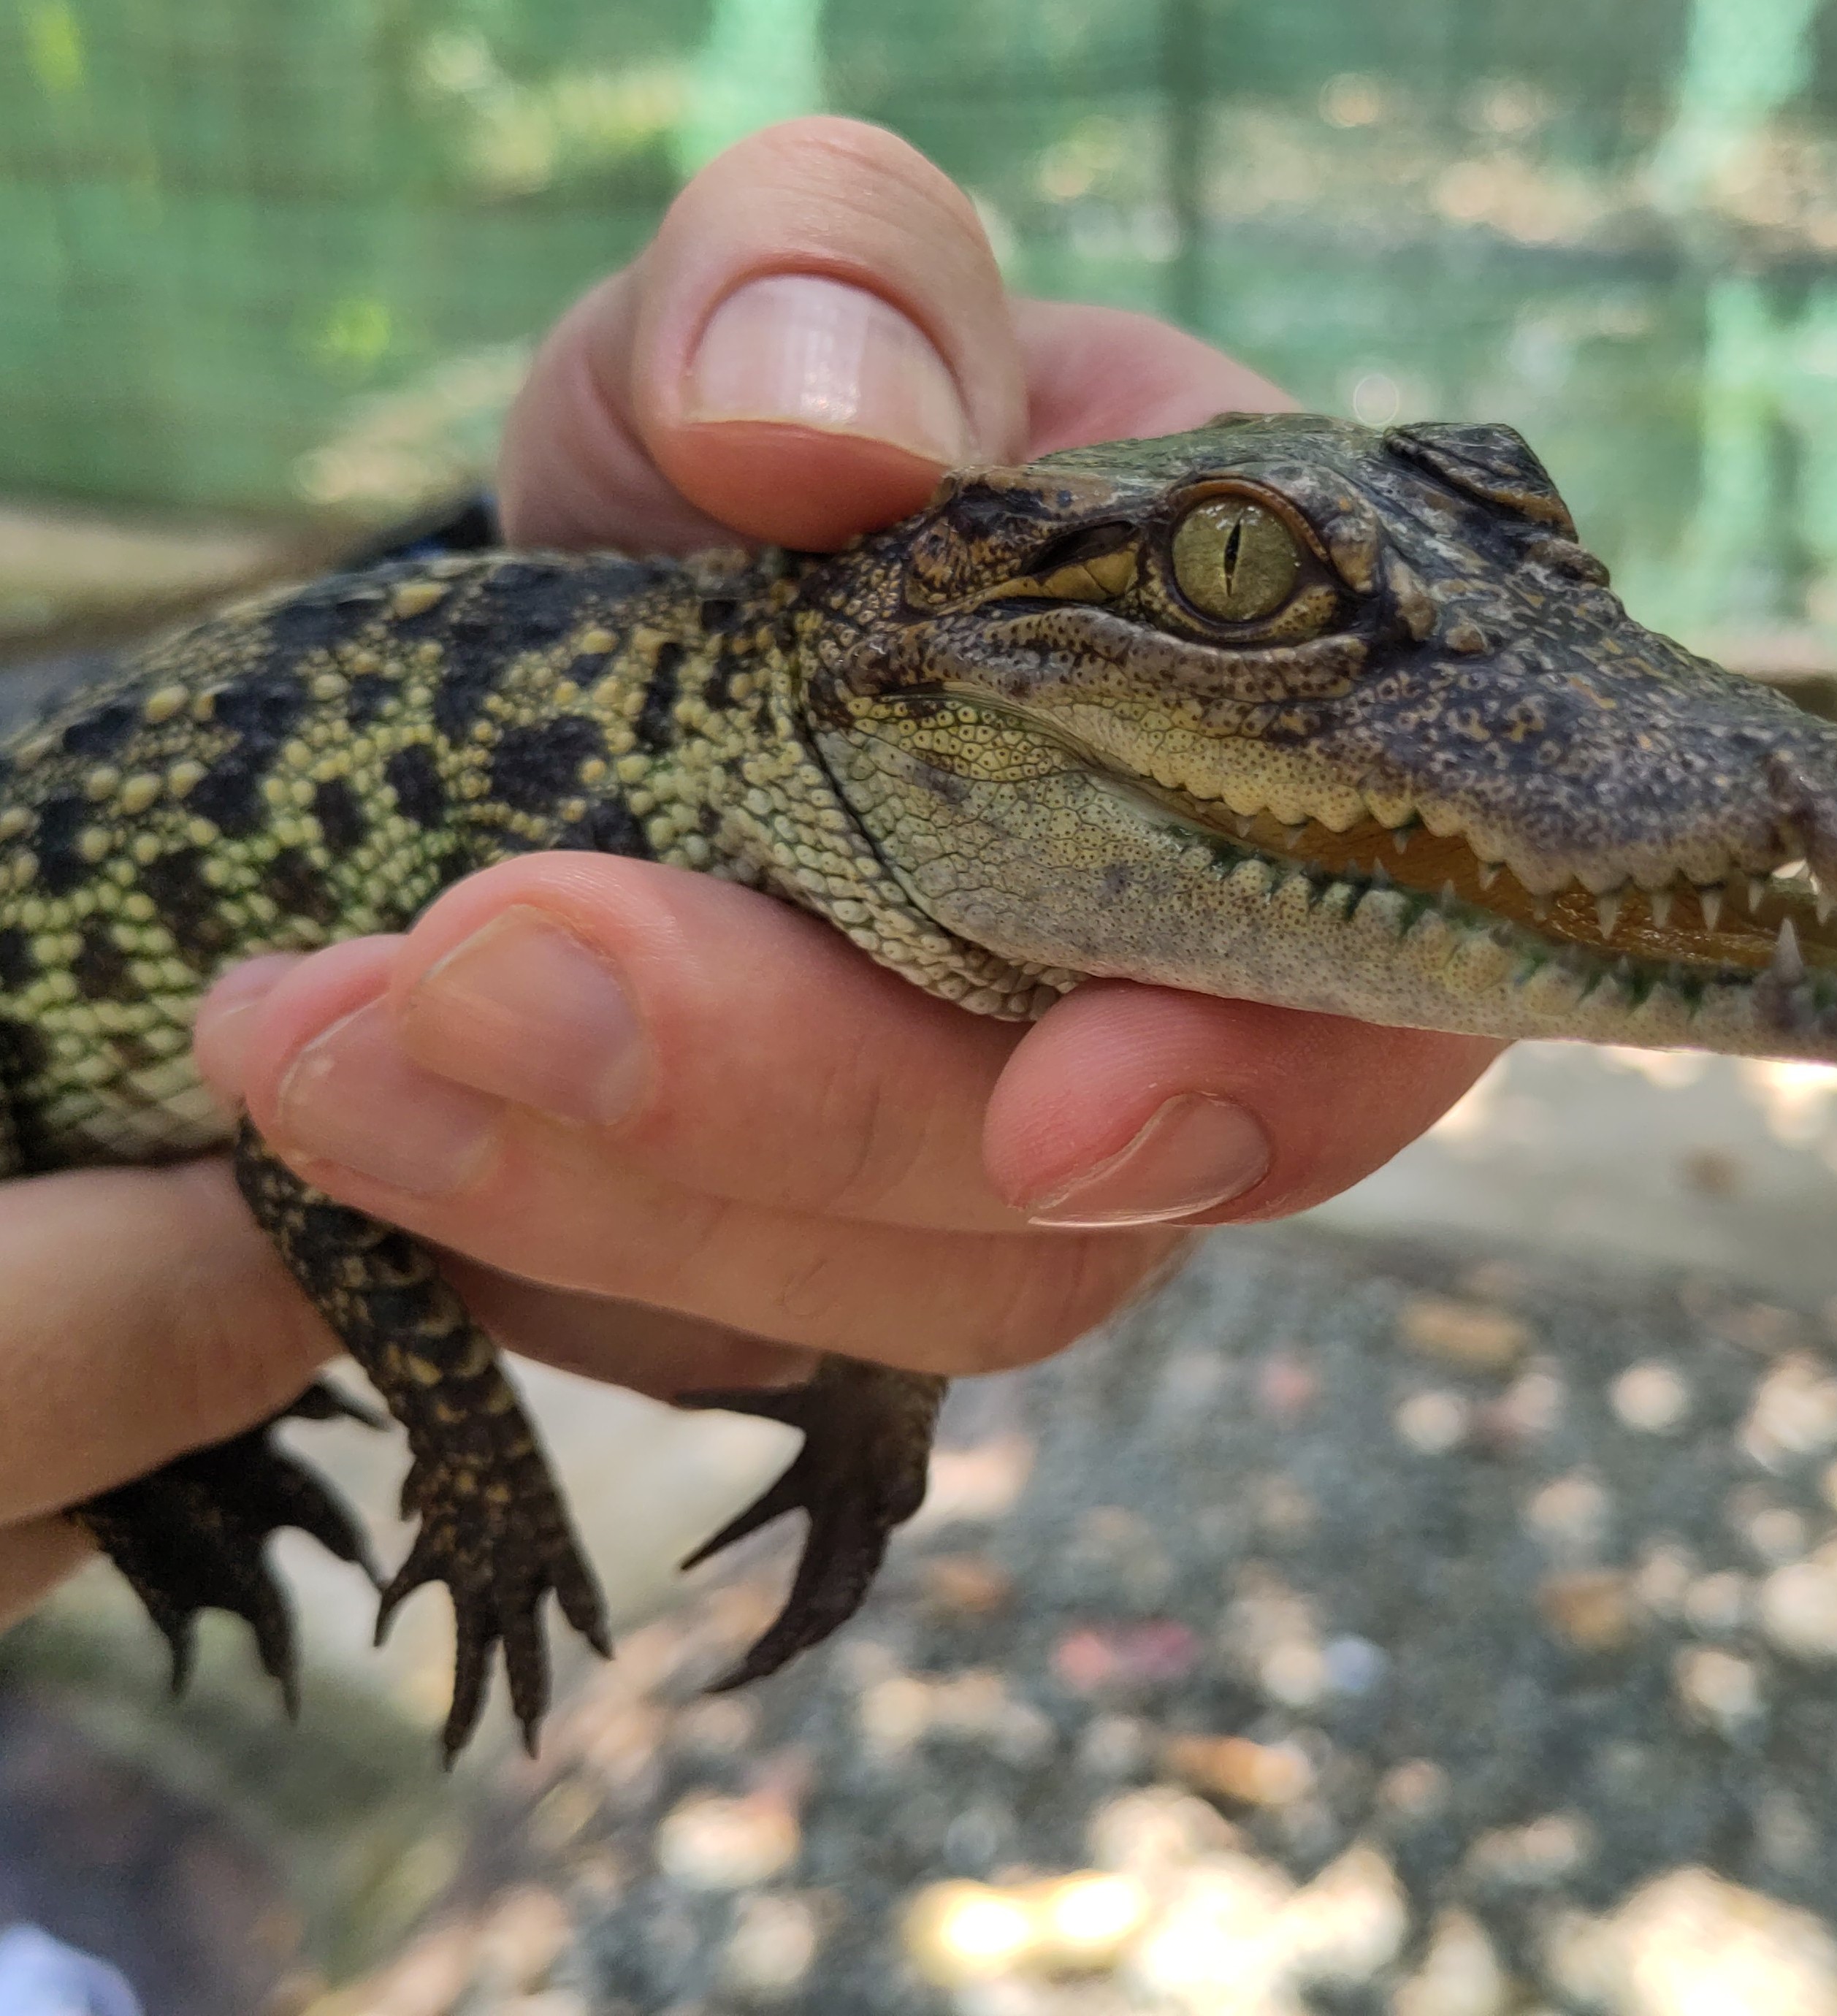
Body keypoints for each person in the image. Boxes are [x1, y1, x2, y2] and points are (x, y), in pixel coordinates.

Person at [0, 118, 1504, 1632]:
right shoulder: (645, 777)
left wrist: (880, 1398)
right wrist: (482, 1478)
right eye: (1237, 575)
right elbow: (295, 1152)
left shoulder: (841, 792)